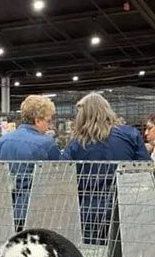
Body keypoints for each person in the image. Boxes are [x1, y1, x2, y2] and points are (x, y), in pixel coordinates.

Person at [62, 92, 150, 244]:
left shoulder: (76, 144)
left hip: (90, 209)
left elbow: (63, 175)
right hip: (126, 207)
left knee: (93, 256)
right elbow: (146, 169)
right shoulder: (130, 135)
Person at [0, 95, 60, 231]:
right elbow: (60, 178)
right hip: (36, 209)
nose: (49, 126)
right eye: (48, 120)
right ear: (38, 120)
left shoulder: (3, 141)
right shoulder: (47, 144)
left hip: (5, 208)